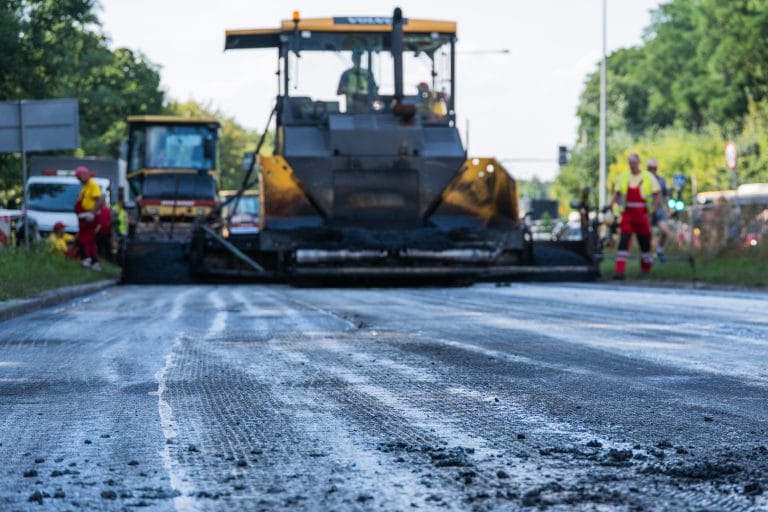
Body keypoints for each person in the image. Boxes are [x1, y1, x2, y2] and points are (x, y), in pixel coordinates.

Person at [608, 153, 661, 280]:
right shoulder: (624, 177)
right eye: (630, 163)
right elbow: (616, 193)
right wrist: (609, 204)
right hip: (627, 215)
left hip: (642, 215)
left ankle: (646, 269)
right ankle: (619, 271)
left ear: (638, 163)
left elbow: (657, 193)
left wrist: (652, 208)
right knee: (624, 240)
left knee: (645, 243)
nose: (632, 165)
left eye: (634, 162)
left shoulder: (647, 177)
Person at [74, 166, 102, 271]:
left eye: (79, 176)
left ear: (85, 175)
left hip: (90, 217)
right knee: (89, 240)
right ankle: (94, 261)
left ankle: (88, 258)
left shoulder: (92, 185)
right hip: (85, 216)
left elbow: (99, 199)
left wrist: (92, 213)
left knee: (84, 238)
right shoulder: (85, 187)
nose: (78, 179)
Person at [647, 159, 673, 262]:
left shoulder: (661, 180)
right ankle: (648, 255)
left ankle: (659, 250)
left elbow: (665, 195)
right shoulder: (644, 179)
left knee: (665, 231)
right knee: (648, 235)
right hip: (647, 210)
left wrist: (668, 208)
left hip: (658, 210)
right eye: (650, 168)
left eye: (654, 168)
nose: (652, 170)